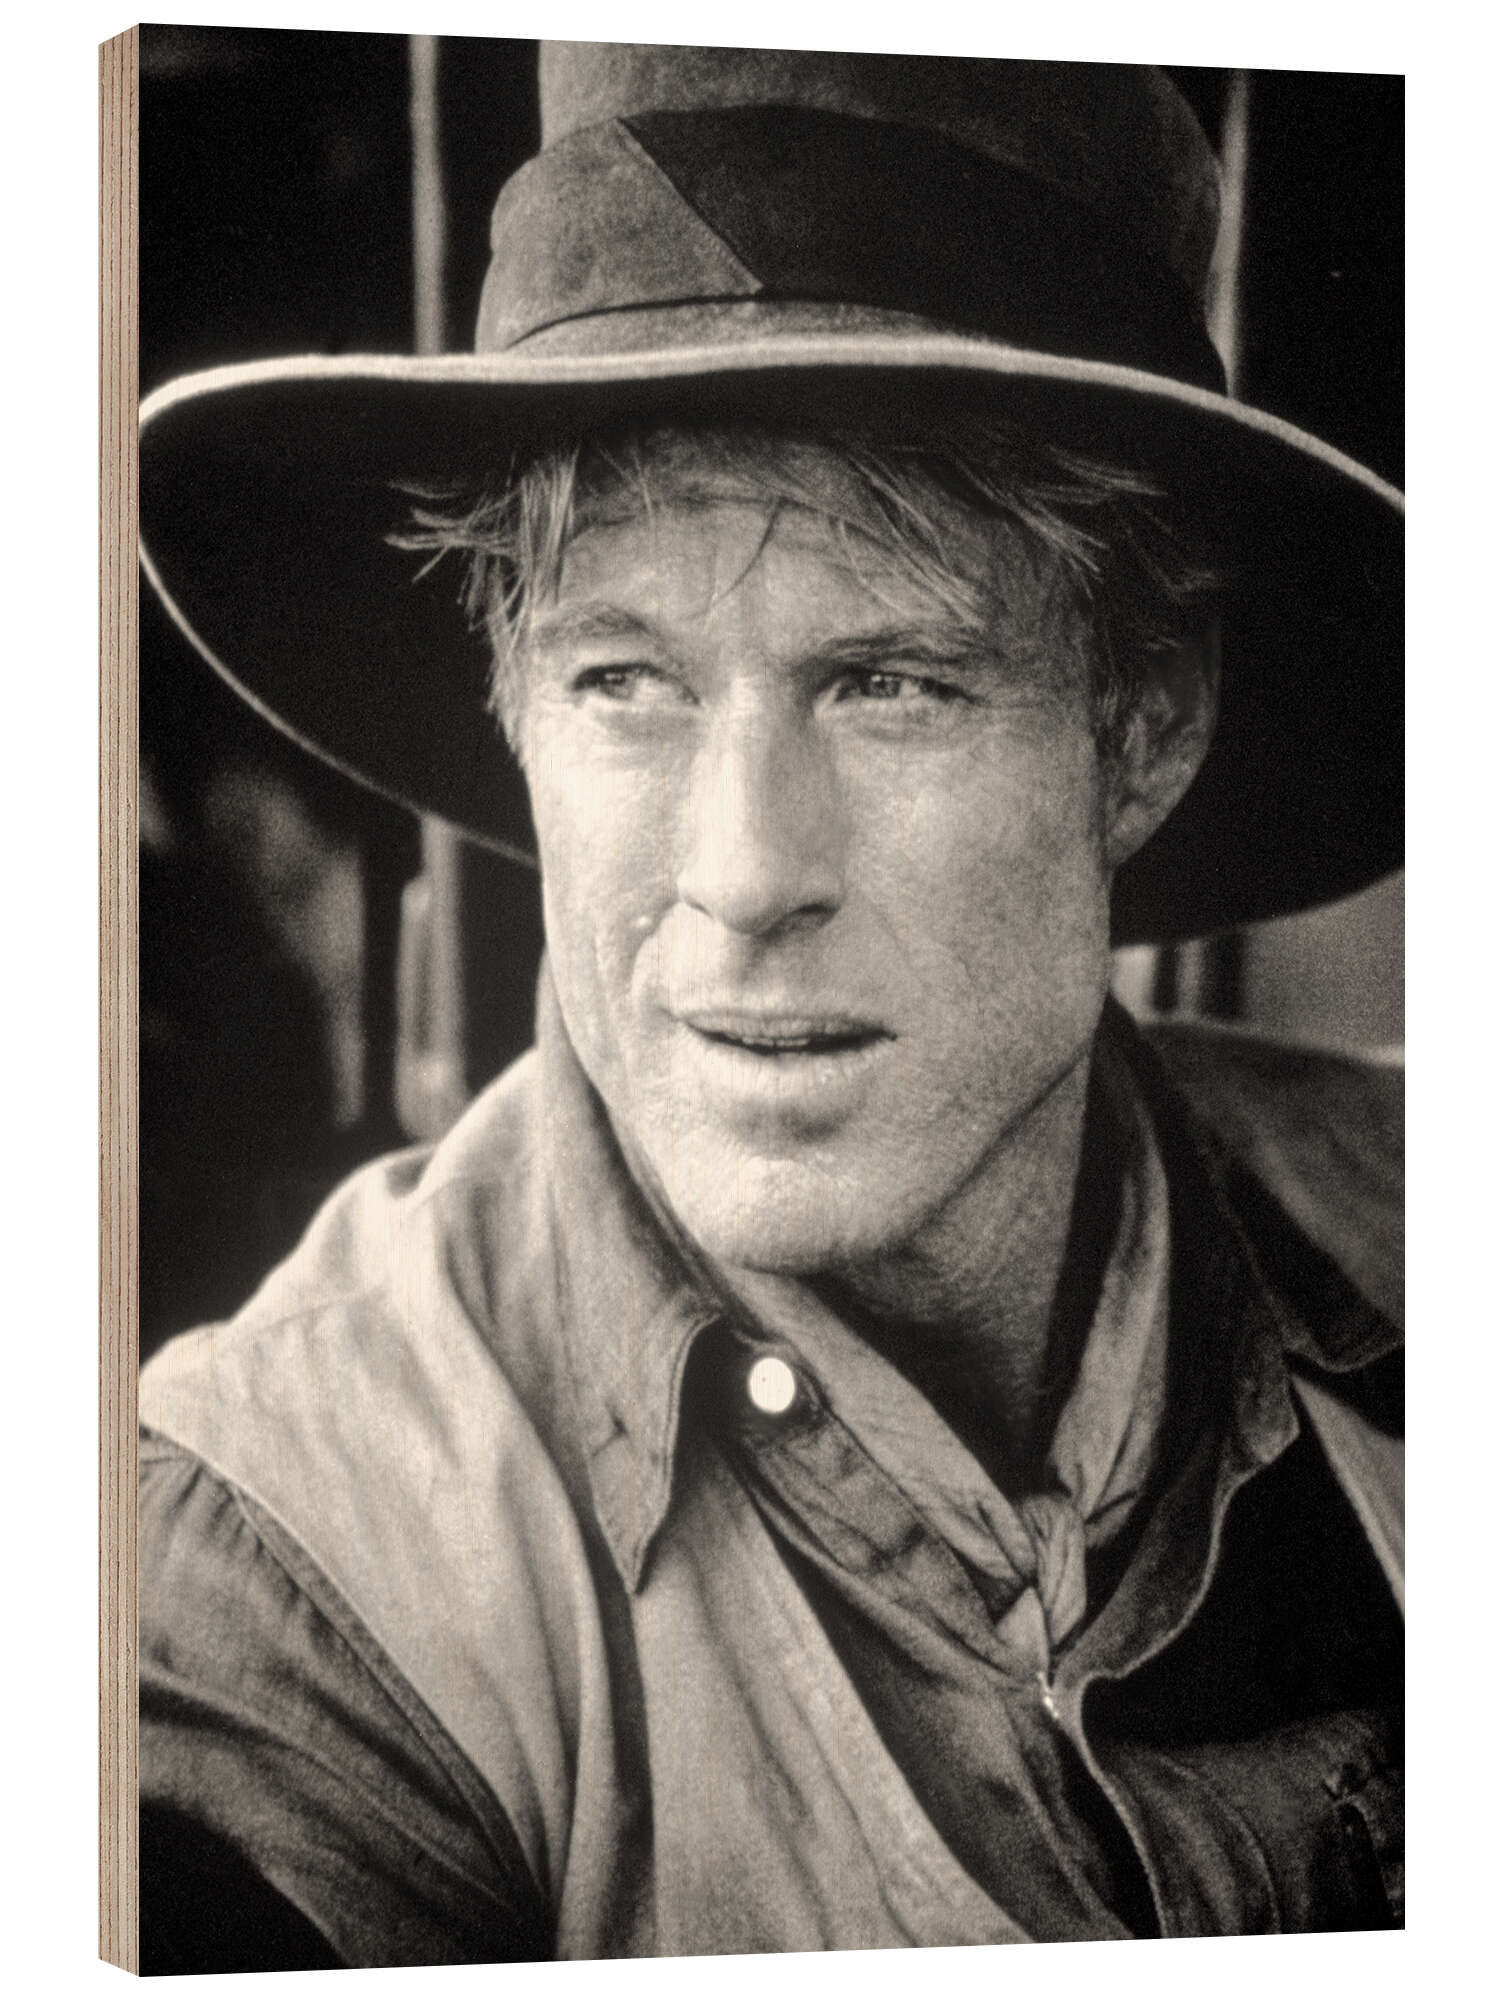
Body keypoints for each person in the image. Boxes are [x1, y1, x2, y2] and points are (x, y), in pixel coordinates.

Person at [135, 42, 1403, 1968]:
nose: (740, 874)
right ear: (512, 704)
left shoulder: (1416, 1221)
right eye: (624, 682)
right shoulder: (288, 1563)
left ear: (1144, 726)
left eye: (892, 682)